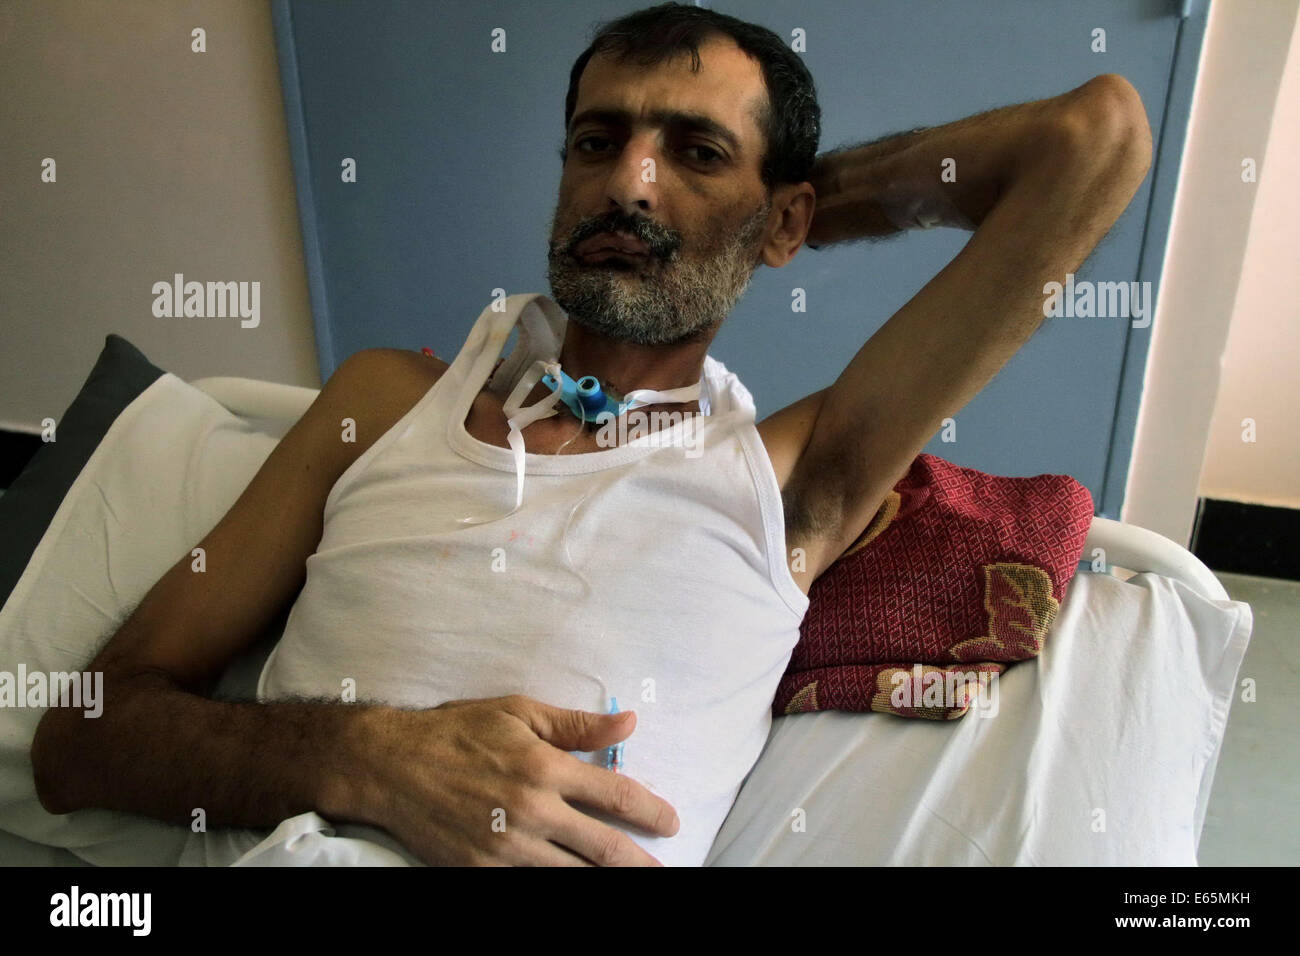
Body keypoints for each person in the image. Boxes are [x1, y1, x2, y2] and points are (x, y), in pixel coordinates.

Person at [31, 2, 1151, 866]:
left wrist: (790, 211)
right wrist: (363, 756)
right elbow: (81, 733)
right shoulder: (386, 402)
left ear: (786, 215)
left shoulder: (789, 476)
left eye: (696, 153)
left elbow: (1089, 143)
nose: (627, 183)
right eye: (596, 142)